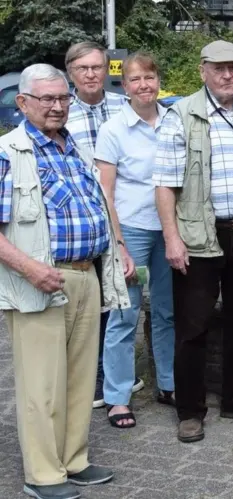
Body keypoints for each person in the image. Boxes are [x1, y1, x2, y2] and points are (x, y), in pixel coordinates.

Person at [0, 64, 129, 499]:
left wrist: (116, 249)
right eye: (47, 99)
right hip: (39, 282)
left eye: (63, 98)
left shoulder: (72, 146)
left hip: (86, 275)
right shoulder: (9, 152)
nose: (57, 106)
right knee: (42, 384)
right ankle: (43, 475)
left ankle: (73, 460)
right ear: (23, 103)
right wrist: (30, 269)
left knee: (77, 381)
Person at [153, 40, 233, 444]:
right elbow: (164, 184)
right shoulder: (182, 114)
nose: (228, 76)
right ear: (203, 71)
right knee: (192, 327)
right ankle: (190, 412)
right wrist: (172, 239)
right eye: (219, 68)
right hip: (198, 236)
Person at [94, 53, 175, 429]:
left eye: (150, 77)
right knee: (125, 314)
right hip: (134, 232)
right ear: (124, 86)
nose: (144, 84)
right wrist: (120, 244)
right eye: (136, 79)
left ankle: (169, 384)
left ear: (159, 80)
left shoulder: (173, 120)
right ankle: (118, 397)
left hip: (169, 231)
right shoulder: (114, 129)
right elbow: (106, 193)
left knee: (167, 311)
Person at [63, 41, 132, 409]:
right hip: (83, 218)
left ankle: (112, 374)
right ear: (71, 73)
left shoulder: (124, 107)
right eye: (83, 68)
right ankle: (89, 377)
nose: (91, 74)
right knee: (88, 299)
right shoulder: (61, 111)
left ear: (107, 70)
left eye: (97, 67)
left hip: (124, 214)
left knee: (118, 297)